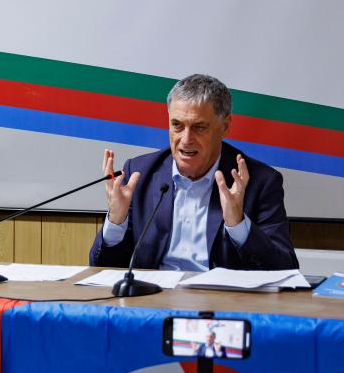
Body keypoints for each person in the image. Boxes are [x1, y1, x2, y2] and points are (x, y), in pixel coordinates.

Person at [89, 74, 297, 271]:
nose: (186, 139)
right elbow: (102, 268)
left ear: (225, 126)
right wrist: (117, 221)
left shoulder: (260, 182)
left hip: (220, 303)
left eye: (199, 127)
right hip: (153, 301)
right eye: (177, 125)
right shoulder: (139, 174)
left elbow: (284, 268)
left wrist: (238, 224)